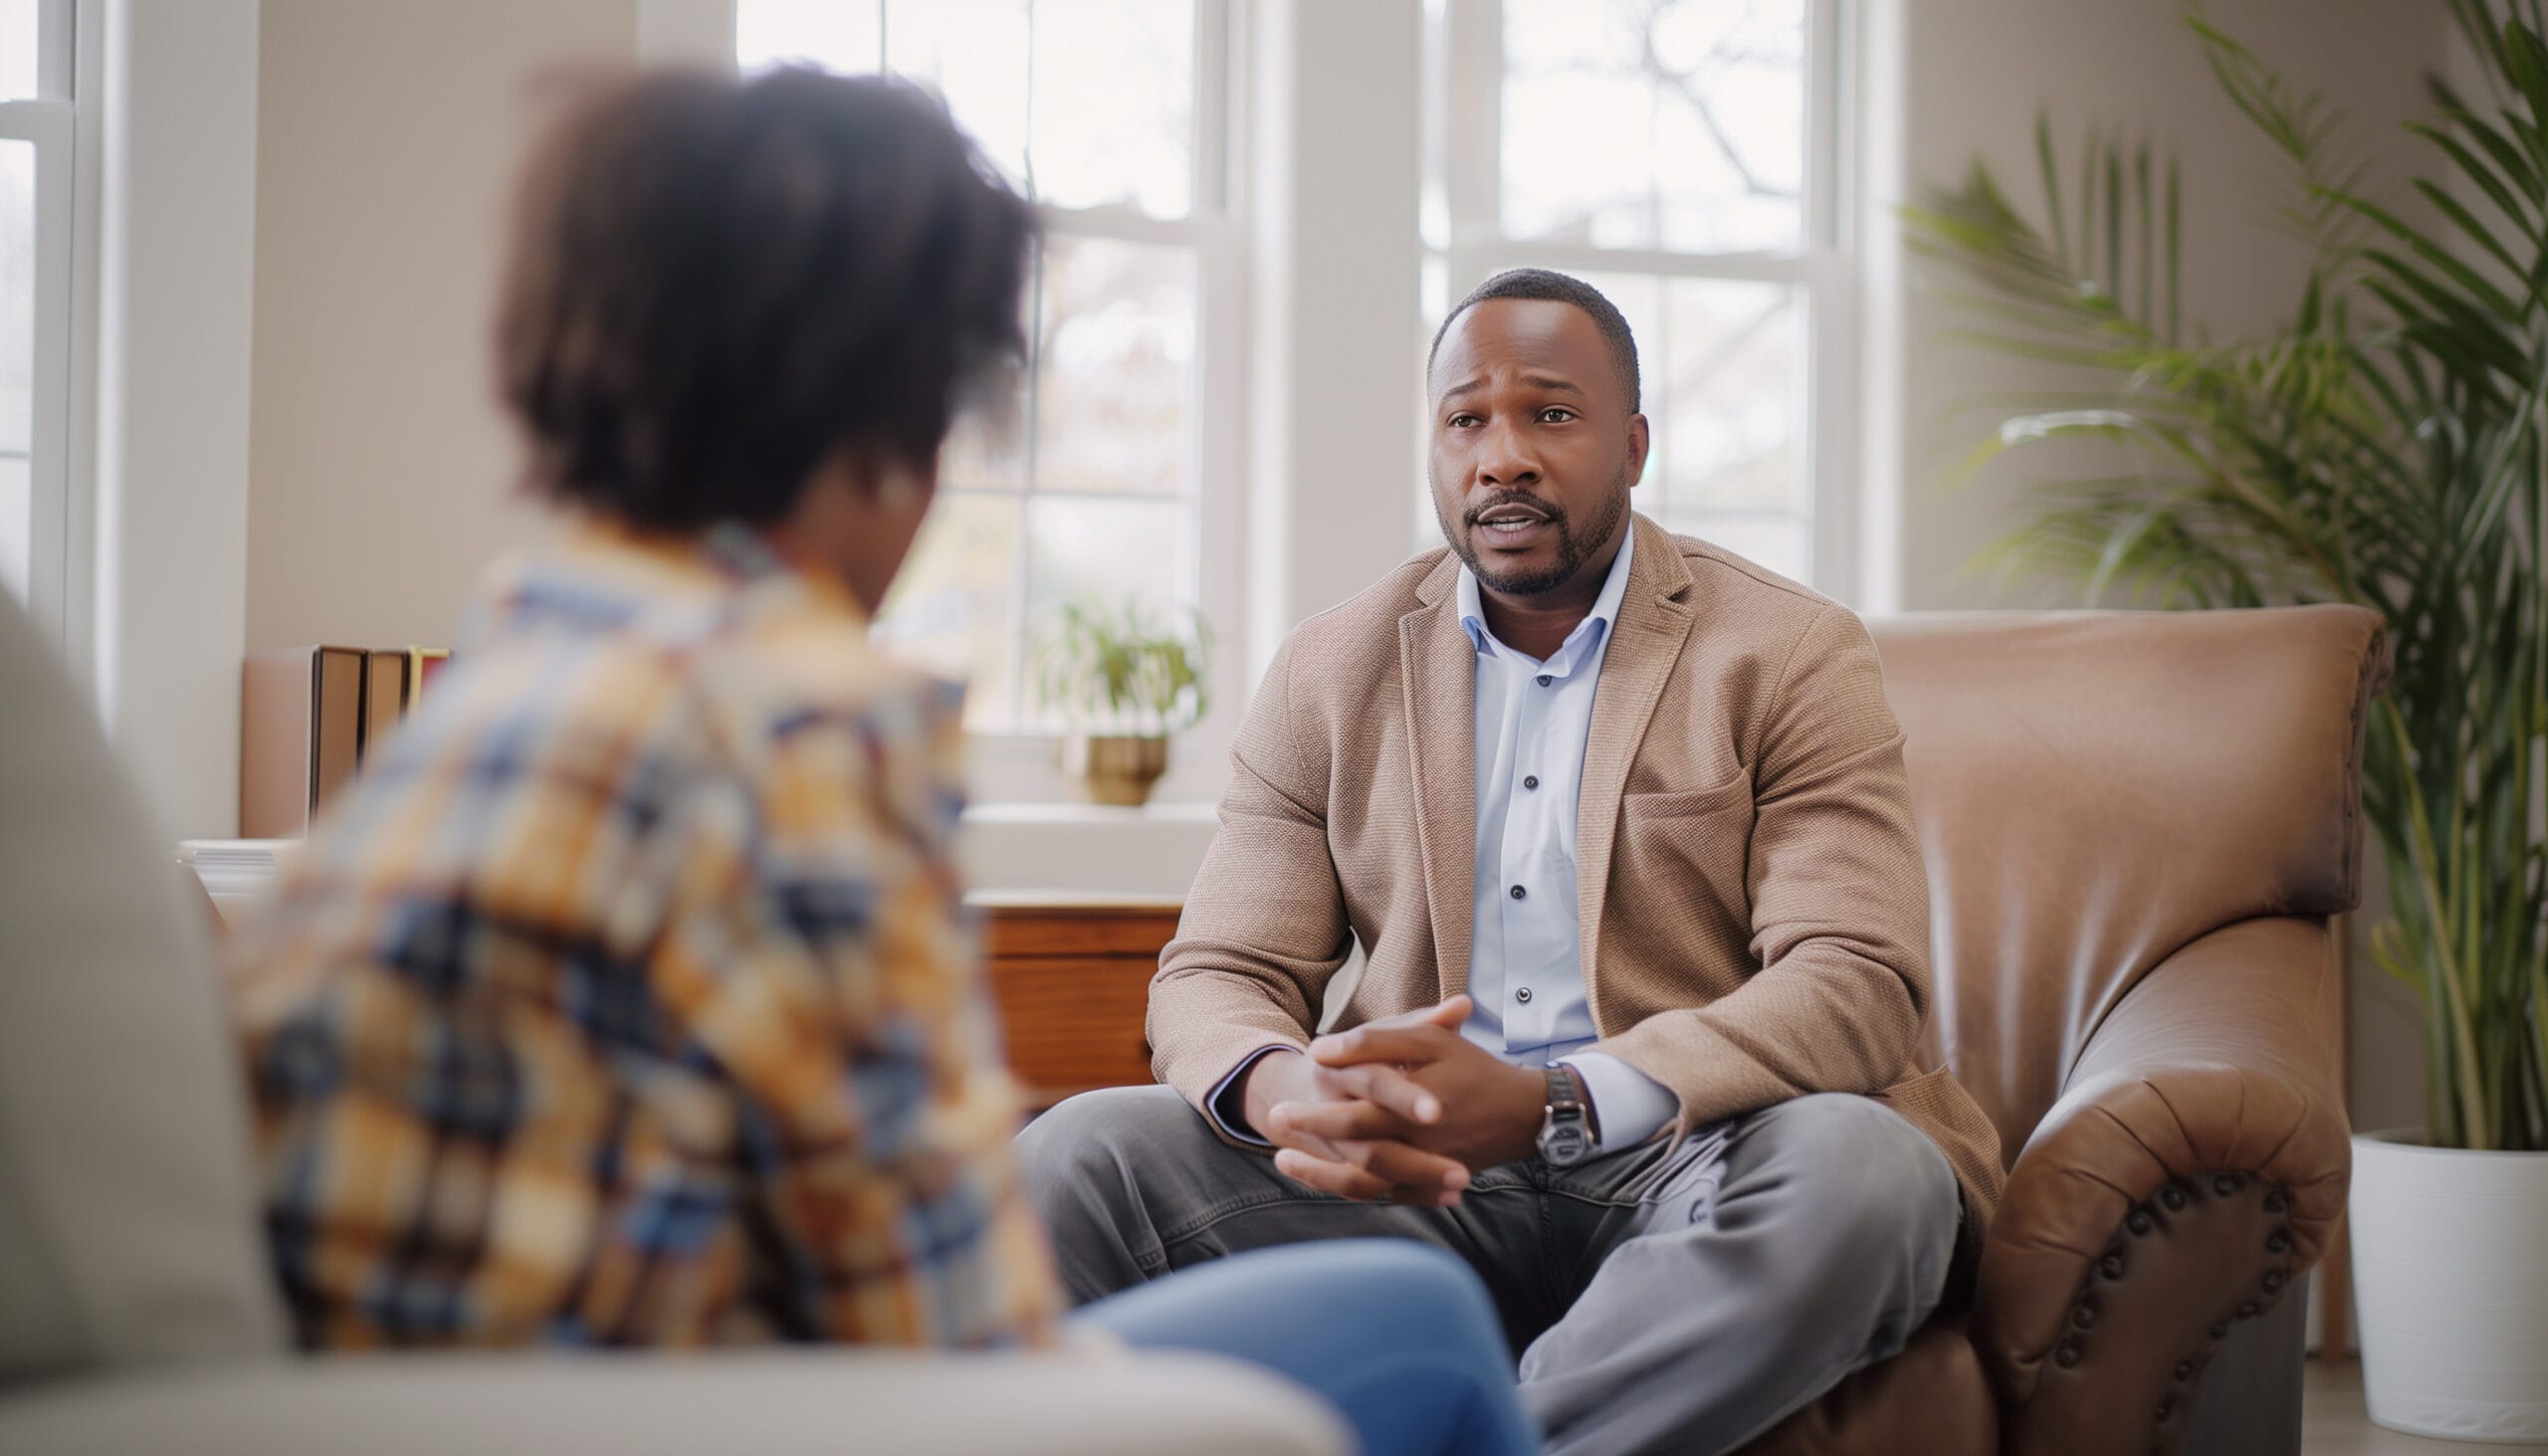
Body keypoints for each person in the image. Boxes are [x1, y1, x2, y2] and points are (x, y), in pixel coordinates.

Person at [227, 68, 1533, 1456]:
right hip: (669, 1413)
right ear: (900, 410)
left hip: (428, 1398)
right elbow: (937, 1316)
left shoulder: (513, 665)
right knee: (1417, 1315)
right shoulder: (793, 718)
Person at [1017, 268, 2011, 1456]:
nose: (1501, 457)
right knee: (1076, 1156)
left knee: (1865, 1174)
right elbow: (1215, 970)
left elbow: (1854, 977)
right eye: (1464, 420)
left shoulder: (1790, 652)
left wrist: (1557, 1102)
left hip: (1699, 1149)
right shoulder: (1329, 671)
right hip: (1423, 1189)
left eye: (1550, 413)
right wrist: (1287, 1087)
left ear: (1632, 445)